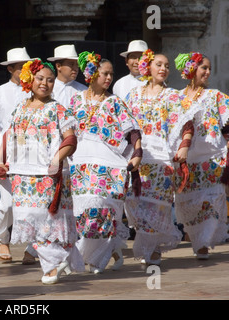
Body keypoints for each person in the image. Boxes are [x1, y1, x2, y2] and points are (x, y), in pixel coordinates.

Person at [0, 58, 84, 284]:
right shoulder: (20, 108)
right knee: (26, 218)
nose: (45, 83)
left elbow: (71, 139)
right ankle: (58, 260)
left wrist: (56, 159)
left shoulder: (57, 109)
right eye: (40, 78)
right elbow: (8, 135)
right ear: (29, 80)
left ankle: (52, 265)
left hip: (48, 174)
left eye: (50, 80)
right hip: (21, 173)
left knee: (44, 220)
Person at [70, 51, 142, 274]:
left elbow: (132, 130)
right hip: (80, 163)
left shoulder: (114, 102)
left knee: (100, 205)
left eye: (111, 74)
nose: (109, 78)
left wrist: (138, 152)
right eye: (104, 73)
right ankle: (109, 251)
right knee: (84, 210)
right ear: (91, 74)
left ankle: (97, 258)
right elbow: (66, 131)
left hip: (108, 163)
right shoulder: (76, 100)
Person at [124, 49, 184, 265]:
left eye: (167, 66)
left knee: (158, 203)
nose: (163, 69)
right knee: (137, 201)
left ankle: (154, 247)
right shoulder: (133, 95)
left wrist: (181, 149)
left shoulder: (173, 96)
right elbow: (126, 126)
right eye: (159, 64)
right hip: (139, 156)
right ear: (147, 67)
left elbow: (182, 125)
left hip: (161, 157)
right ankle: (147, 244)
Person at [172, 52, 229, 259]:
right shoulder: (175, 98)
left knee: (211, 200)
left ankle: (204, 241)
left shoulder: (216, 96)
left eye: (209, 68)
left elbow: (227, 126)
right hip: (187, 159)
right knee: (190, 202)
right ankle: (198, 241)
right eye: (203, 67)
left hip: (213, 158)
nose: (207, 72)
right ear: (190, 70)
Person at [0, 47, 37, 264]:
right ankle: (2, 240)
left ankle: (32, 248)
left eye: (27, 67)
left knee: (34, 202)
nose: (24, 71)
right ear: (10, 69)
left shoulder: (36, 90)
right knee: (7, 204)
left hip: (32, 153)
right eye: (20, 67)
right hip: (6, 153)